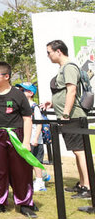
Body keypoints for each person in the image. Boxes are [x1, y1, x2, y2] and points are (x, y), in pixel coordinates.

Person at [0, 61, 39, 218]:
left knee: (21, 170)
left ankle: (25, 203)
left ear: (6, 76)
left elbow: (27, 119)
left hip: (16, 135)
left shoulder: (18, 94)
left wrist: (26, 141)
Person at [44, 40, 91, 199]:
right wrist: (53, 103)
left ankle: (88, 187)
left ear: (59, 52)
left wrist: (65, 114)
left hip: (73, 117)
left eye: (49, 52)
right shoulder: (64, 68)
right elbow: (64, 93)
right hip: (69, 116)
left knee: (80, 152)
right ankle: (82, 183)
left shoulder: (69, 67)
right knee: (77, 151)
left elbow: (71, 91)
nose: (48, 55)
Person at [16, 82, 48, 192]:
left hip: (34, 139)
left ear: (30, 93)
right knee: (27, 161)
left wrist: (35, 139)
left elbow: (39, 123)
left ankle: (40, 182)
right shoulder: (20, 106)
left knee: (35, 161)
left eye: (22, 90)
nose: (19, 91)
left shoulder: (34, 107)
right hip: (25, 139)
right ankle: (40, 177)